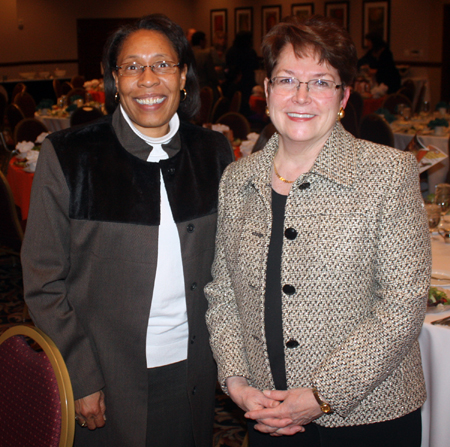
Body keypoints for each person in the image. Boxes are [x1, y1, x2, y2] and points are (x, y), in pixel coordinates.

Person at [205, 15, 430, 447]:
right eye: (287, 79)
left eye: (321, 82)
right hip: (266, 411)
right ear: (267, 91)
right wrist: (236, 381)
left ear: (343, 96)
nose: (302, 96)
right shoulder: (238, 179)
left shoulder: (387, 173)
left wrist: (323, 395)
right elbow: (224, 293)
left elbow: (402, 305)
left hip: (369, 418)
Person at [21, 14, 233, 447]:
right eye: (132, 66)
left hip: (191, 369)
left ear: (183, 75)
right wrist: (81, 375)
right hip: (103, 374)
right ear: (114, 80)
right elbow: (43, 280)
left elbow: (232, 267)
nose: (148, 79)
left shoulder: (213, 153)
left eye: (162, 64)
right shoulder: (70, 155)